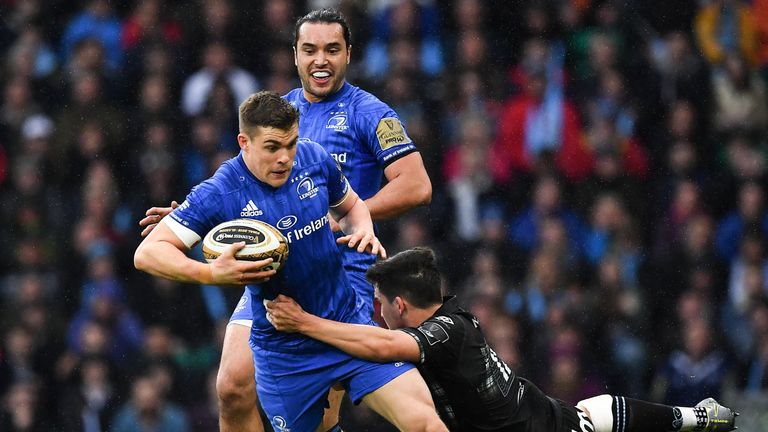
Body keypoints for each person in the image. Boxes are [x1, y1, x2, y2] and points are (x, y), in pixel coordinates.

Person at [139, 8, 432, 431]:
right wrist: (206, 218)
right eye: (309, 49)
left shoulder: (370, 113)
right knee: (232, 387)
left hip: (338, 269)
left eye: (332, 50)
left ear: (349, 54)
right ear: (294, 55)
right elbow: (242, 182)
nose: (321, 60)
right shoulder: (282, 110)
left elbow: (416, 185)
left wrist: (332, 215)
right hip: (274, 263)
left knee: (323, 407)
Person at [265, 246, 740, 432]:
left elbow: (384, 347)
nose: (378, 313)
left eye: (380, 303)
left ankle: (695, 417)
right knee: (588, 417)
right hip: (544, 415)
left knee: (588, 420)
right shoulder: (454, 315)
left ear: (401, 305)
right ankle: (698, 417)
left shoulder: (444, 332)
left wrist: (303, 322)